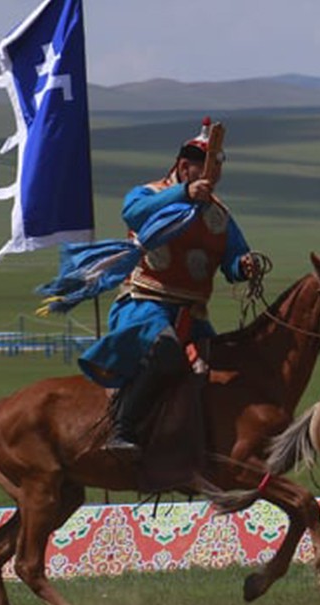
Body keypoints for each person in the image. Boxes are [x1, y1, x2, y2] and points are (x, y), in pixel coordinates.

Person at [76, 118, 260, 455]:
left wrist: (244, 265)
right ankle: (122, 428)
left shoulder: (219, 214)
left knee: (223, 366)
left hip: (193, 314)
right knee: (166, 351)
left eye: (215, 172)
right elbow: (133, 213)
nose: (210, 178)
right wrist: (183, 194)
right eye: (203, 170)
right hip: (144, 305)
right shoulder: (150, 194)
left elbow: (233, 259)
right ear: (183, 165)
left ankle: (200, 442)